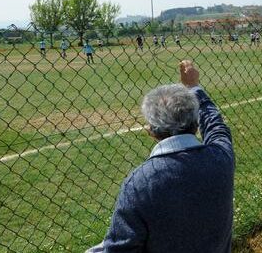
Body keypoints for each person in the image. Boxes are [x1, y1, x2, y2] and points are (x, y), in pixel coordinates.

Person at [91, 61, 234, 252]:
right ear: (196, 124)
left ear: (151, 131)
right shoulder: (221, 158)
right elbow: (216, 125)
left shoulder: (139, 183)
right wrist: (193, 87)